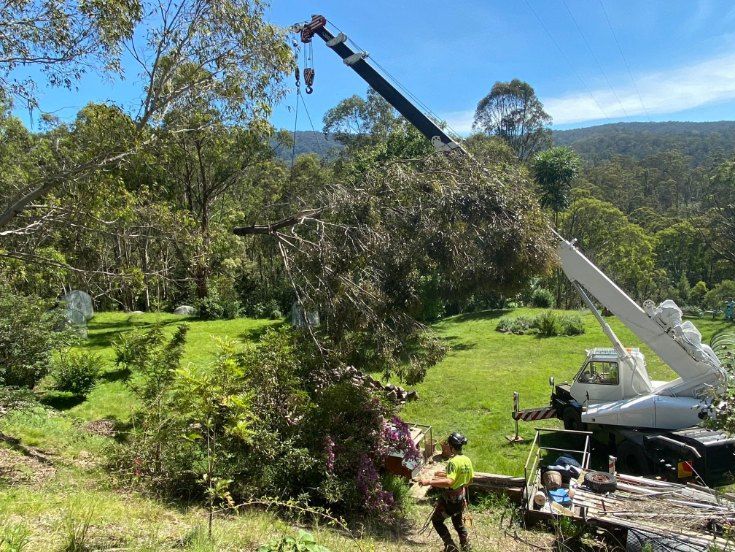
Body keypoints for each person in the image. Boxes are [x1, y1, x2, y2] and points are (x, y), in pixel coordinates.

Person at [419, 432, 474, 552]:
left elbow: (449, 482)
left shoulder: (453, 462)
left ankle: (451, 547)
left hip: (450, 500)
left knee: (437, 521)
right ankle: (465, 546)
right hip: (460, 497)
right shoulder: (466, 460)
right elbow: (469, 480)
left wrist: (428, 481)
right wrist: (443, 474)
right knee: (458, 523)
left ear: (451, 447)